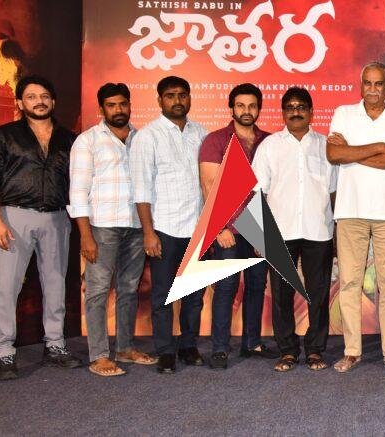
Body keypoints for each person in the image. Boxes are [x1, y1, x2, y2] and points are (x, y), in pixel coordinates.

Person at [0, 75, 82, 380]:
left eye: (44, 96)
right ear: (19, 102)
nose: (39, 101)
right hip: (14, 217)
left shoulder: (70, 140)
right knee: (7, 286)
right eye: (31, 97)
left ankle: (55, 344)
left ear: (53, 101)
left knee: (55, 283)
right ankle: (5, 351)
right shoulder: (3, 136)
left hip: (57, 217)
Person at [327, 62, 385, 373]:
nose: (373, 89)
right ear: (361, 85)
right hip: (350, 211)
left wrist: (353, 152)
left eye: (379, 84)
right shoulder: (343, 113)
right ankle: (352, 351)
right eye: (368, 83)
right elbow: (334, 155)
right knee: (349, 282)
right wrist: (378, 147)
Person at [69, 82, 157, 377]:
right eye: (111, 105)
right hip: (102, 226)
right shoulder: (88, 141)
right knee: (97, 290)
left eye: (122, 103)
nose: (118, 109)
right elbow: (78, 191)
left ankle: (125, 348)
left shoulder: (142, 139)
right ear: (102, 109)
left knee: (129, 289)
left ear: (130, 105)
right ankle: (99, 356)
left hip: (136, 225)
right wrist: (85, 235)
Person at [252, 87, 336, 372]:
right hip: (280, 232)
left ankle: (315, 350)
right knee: (281, 295)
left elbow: (335, 191)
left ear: (311, 112)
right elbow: (256, 193)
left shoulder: (326, 146)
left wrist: (338, 229)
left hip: (318, 230)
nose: (296, 112)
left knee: (318, 294)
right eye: (290, 107)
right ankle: (287, 351)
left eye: (301, 107)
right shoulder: (270, 146)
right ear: (283, 112)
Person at [130, 75, 209, 374]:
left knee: (194, 295)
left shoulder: (201, 133)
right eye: (170, 95)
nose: (177, 100)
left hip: (196, 228)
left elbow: (208, 182)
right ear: (160, 100)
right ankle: (165, 350)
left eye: (182, 95)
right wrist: (148, 232)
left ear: (189, 98)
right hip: (163, 229)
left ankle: (188, 345)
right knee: (162, 294)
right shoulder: (147, 137)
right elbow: (141, 189)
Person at [197, 83, 276, 370]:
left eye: (252, 105)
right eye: (241, 105)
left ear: (259, 108)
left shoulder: (269, 142)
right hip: (228, 228)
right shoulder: (216, 140)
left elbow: (273, 189)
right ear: (231, 108)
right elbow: (209, 186)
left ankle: (252, 342)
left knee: (256, 285)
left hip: (258, 226)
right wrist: (219, 228)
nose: (246, 110)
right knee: (226, 287)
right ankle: (220, 348)